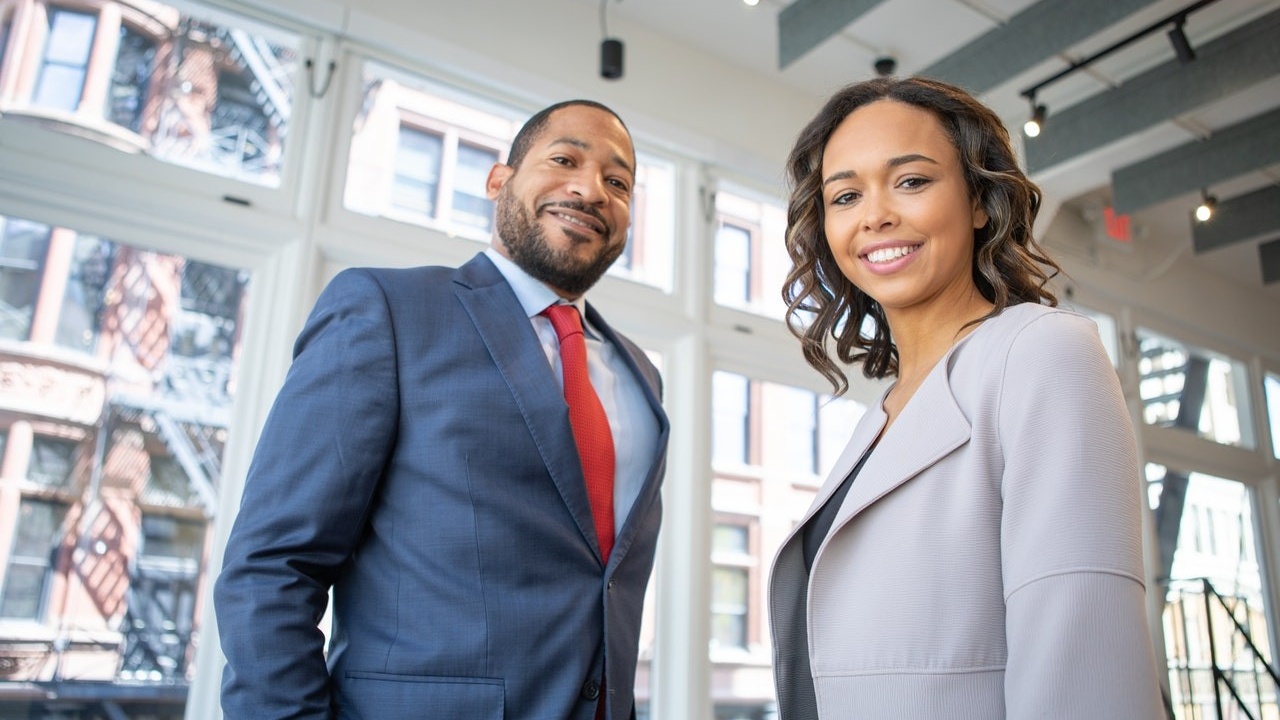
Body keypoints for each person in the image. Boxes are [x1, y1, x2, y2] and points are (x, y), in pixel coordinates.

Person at [214, 99, 670, 720]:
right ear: (498, 180)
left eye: (618, 182)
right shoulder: (386, 310)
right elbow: (273, 567)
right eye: (565, 159)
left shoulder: (640, 373)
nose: (591, 189)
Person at [767, 76, 1164, 719]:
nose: (875, 216)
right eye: (845, 195)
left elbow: (1082, 661)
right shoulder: (883, 415)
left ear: (980, 200)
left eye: (912, 181)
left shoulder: (1041, 351)